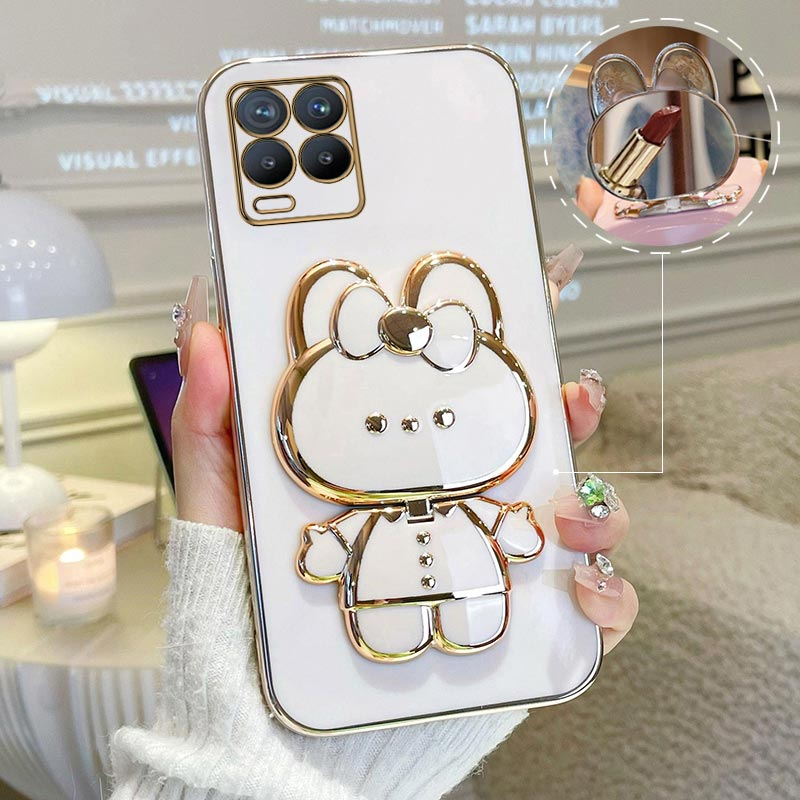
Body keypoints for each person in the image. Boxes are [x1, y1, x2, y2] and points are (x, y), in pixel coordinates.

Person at [110, 247, 638, 800]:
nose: (412, 430)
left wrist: (514, 528)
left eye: (444, 417)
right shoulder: (349, 501)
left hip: (477, 592)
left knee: (477, 625)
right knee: (392, 633)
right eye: (377, 423)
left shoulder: (468, 496)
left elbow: (510, 527)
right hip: (382, 605)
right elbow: (332, 547)